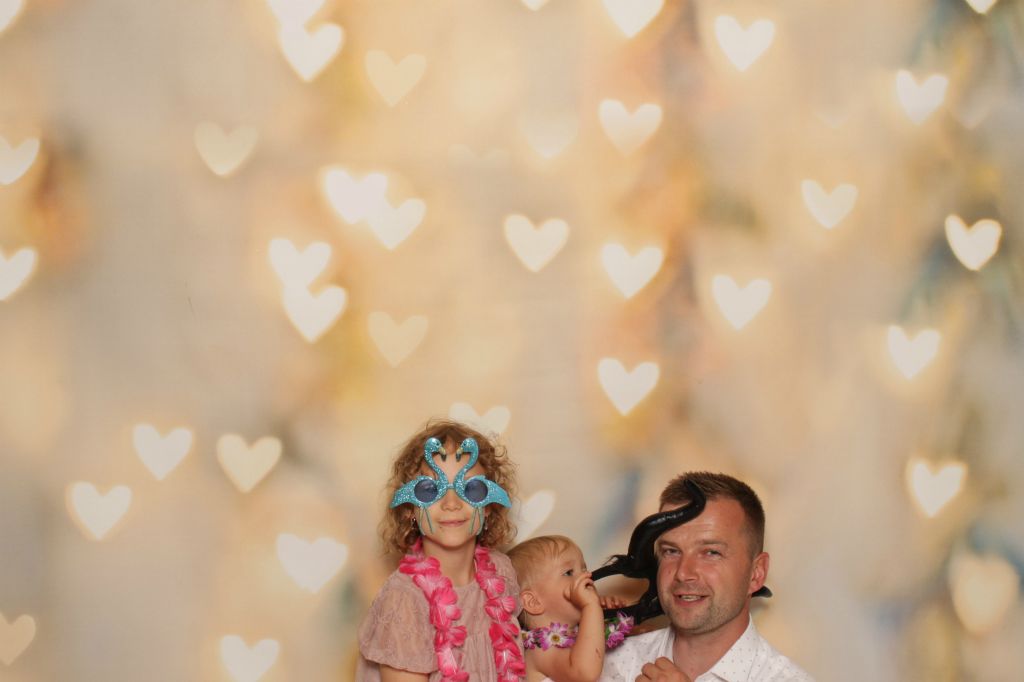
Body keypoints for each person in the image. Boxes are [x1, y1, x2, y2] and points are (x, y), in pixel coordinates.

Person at [600, 472, 813, 682]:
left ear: (756, 574)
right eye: (671, 551)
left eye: (711, 552)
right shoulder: (604, 665)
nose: (683, 573)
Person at [356, 420, 526, 681]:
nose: (451, 503)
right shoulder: (405, 602)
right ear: (410, 510)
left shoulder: (501, 571)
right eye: (429, 490)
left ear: (489, 506)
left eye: (471, 488)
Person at [508, 535, 634, 682]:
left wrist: (606, 615)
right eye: (568, 573)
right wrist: (591, 607)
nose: (586, 576)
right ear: (533, 602)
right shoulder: (540, 649)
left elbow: (629, 647)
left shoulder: (577, 633)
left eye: (584, 569)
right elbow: (585, 674)